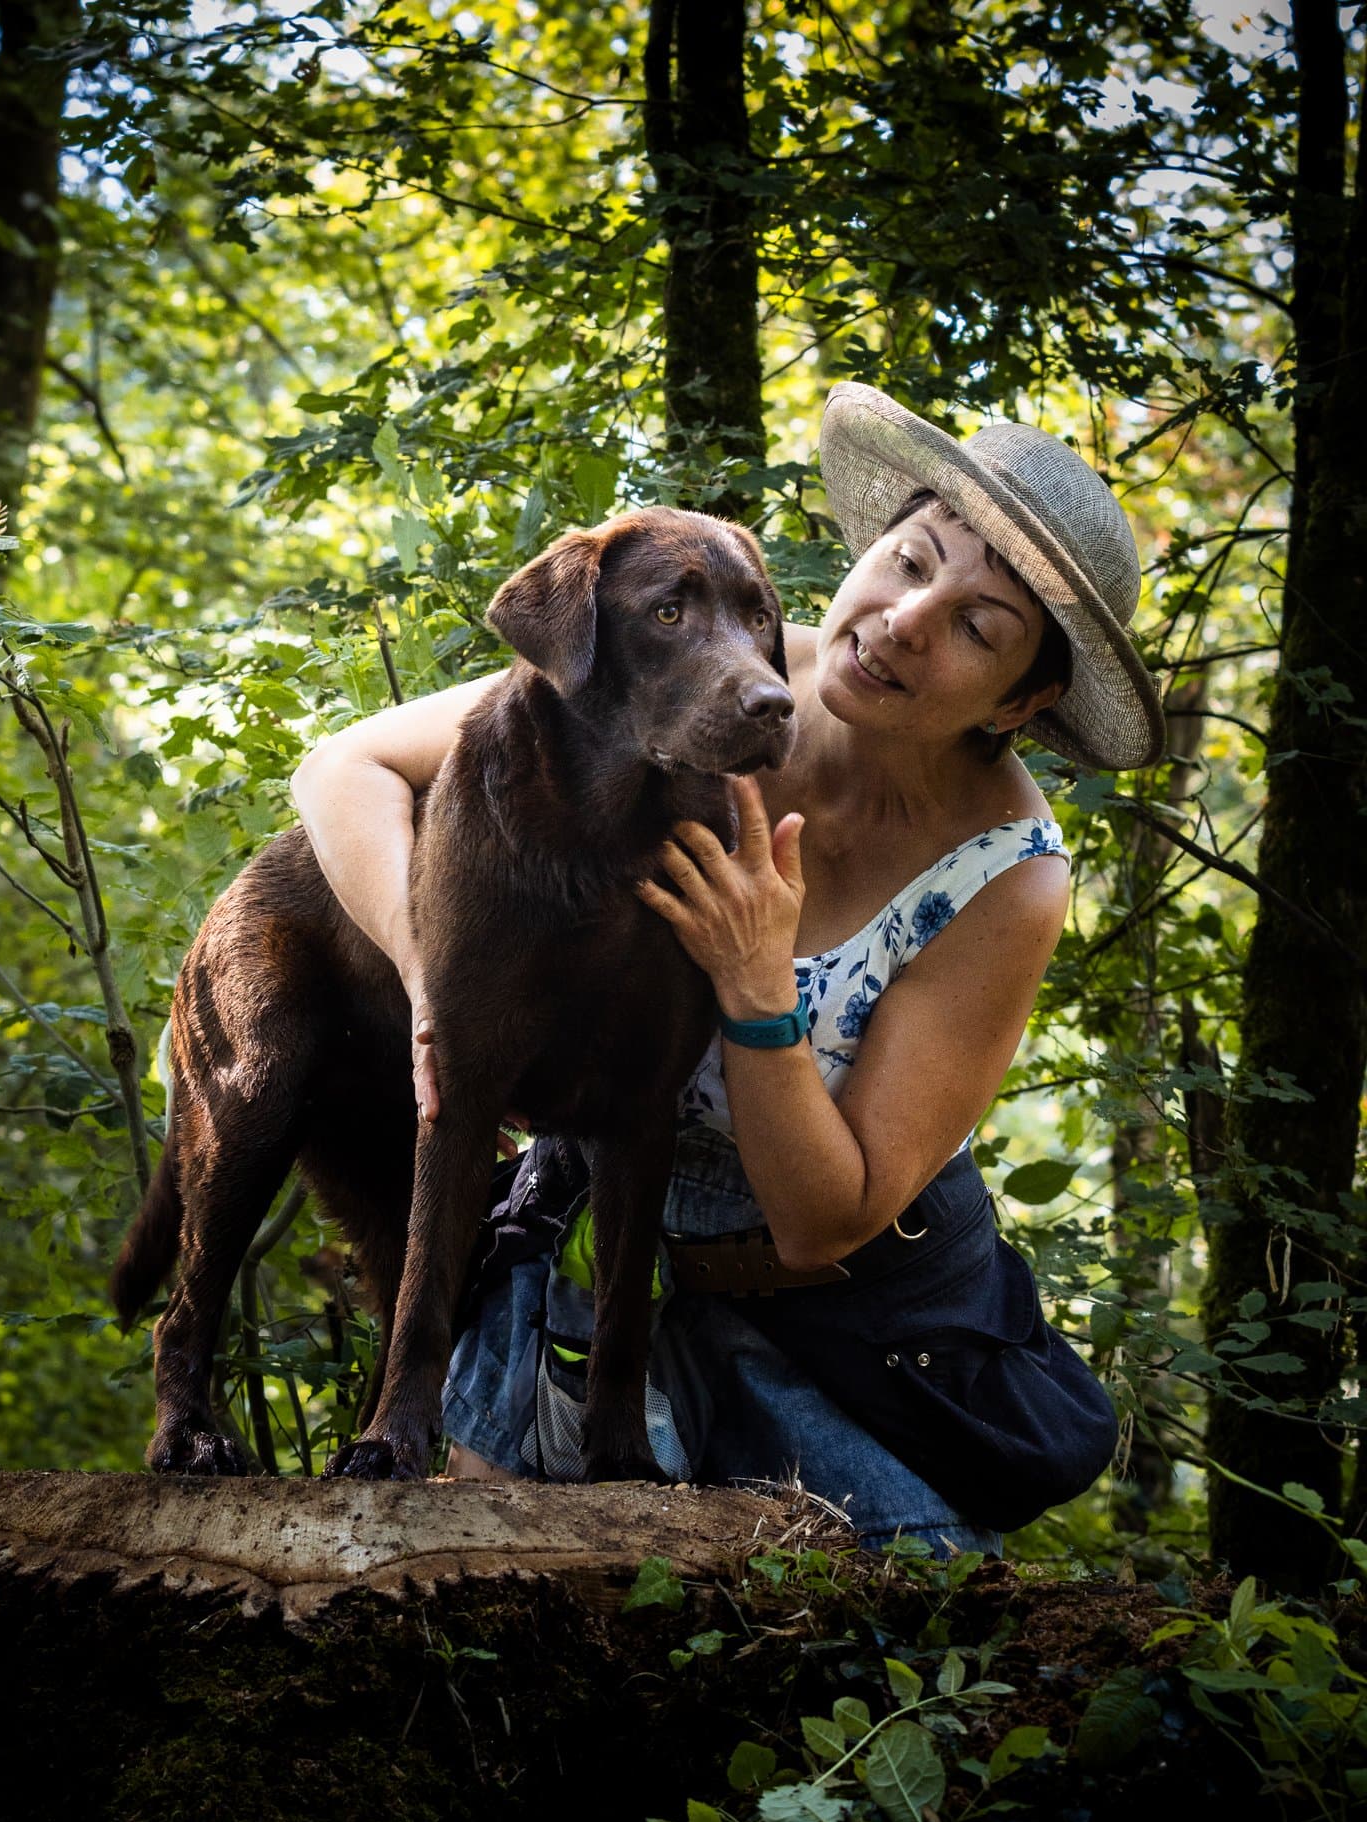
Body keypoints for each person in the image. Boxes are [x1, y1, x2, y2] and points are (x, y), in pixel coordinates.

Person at [291, 381, 1165, 1555]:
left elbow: (826, 1222)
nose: (909, 618)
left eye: (978, 626)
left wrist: (759, 993)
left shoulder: (1007, 875)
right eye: (911, 561)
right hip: (602, 1244)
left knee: (893, 1610)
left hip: (842, 1319)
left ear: (1028, 696)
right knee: (490, 1584)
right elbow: (343, 769)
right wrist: (430, 980)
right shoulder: (714, 680)